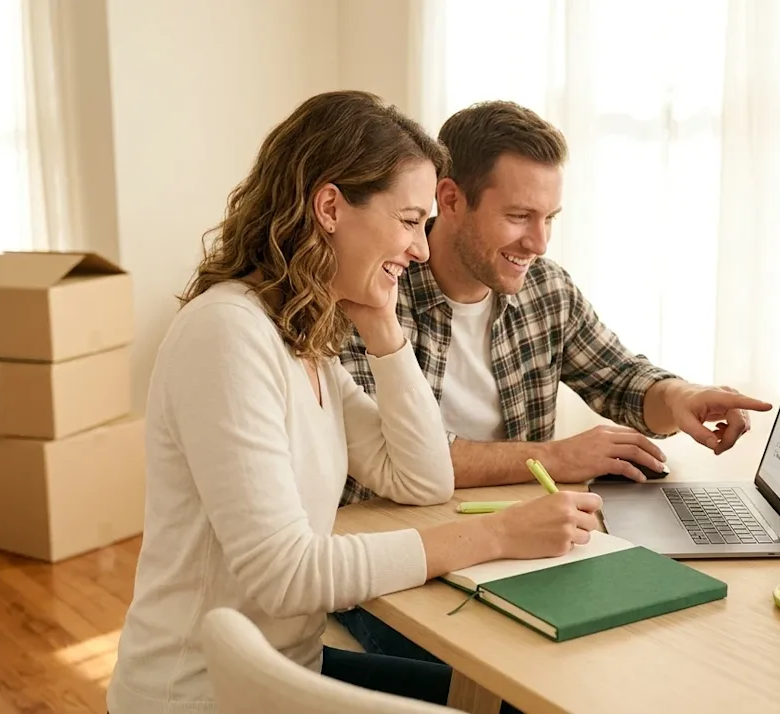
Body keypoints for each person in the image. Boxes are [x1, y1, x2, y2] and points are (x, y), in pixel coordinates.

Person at [105, 91, 599, 713]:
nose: (421, 248)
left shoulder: (300, 341)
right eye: (409, 220)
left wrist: (385, 331)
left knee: (509, 702)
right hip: (209, 694)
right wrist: (497, 535)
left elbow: (422, 478)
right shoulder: (227, 334)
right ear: (331, 207)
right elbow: (288, 574)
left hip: (283, 670)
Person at [335, 100, 773, 659]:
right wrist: (555, 458)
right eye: (519, 216)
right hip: (396, 564)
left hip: (518, 551)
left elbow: (621, 379)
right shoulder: (374, 287)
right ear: (449, 199)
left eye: (550, 219)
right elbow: (385, 460)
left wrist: (681, 396)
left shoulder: (544, 288)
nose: (539, 243)